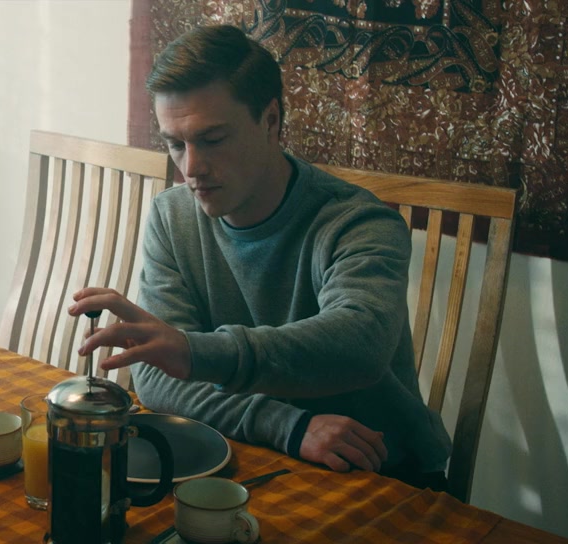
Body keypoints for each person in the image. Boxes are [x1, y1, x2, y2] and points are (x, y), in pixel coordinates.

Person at [67, 24, 451, 488]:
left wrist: (192, 353)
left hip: (378, 473)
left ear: (271, 121)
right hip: (258, 453)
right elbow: (159, 379)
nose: (191, 168)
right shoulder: (172, 217)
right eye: (175, 144)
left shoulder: (358, 222)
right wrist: (287, 426)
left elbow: (361, 345)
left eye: (213, 140)